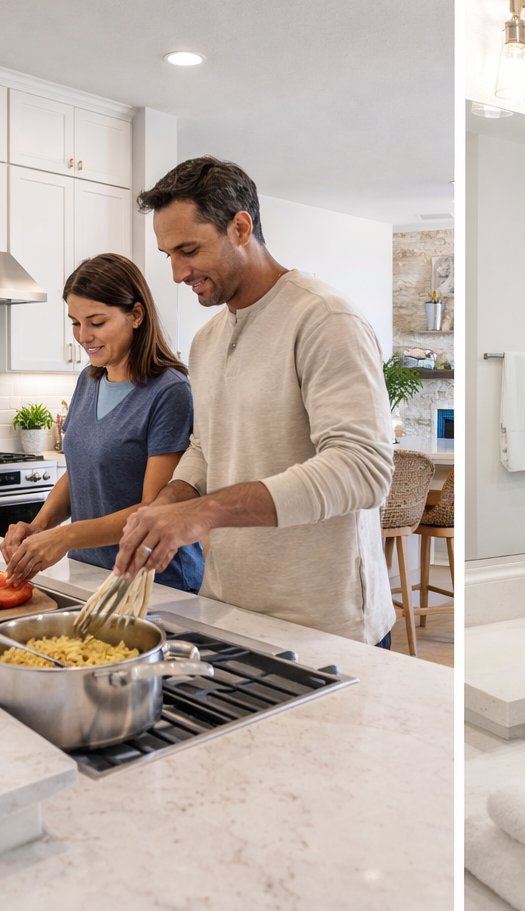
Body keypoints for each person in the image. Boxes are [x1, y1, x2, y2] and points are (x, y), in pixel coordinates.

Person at [112, 157, 396, 647]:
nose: (178, 273)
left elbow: (363, 469)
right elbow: (206, 448)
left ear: (240, 227)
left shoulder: (324, 319)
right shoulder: (206, 340)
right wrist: (167, 507)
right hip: (226, 610)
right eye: (168, 256)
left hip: (325, 626)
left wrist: (206, 512)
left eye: (189, 250)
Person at [0, 253, 204, 593]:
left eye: (96, 323)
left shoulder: (170, 392)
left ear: (136, 315)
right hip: (90, 574)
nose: (83, 336)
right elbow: (81, 469)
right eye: (75, 322)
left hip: (154, 583)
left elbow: (154, 510)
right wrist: (40, 526)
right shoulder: (89, 381)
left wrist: (63, 536)